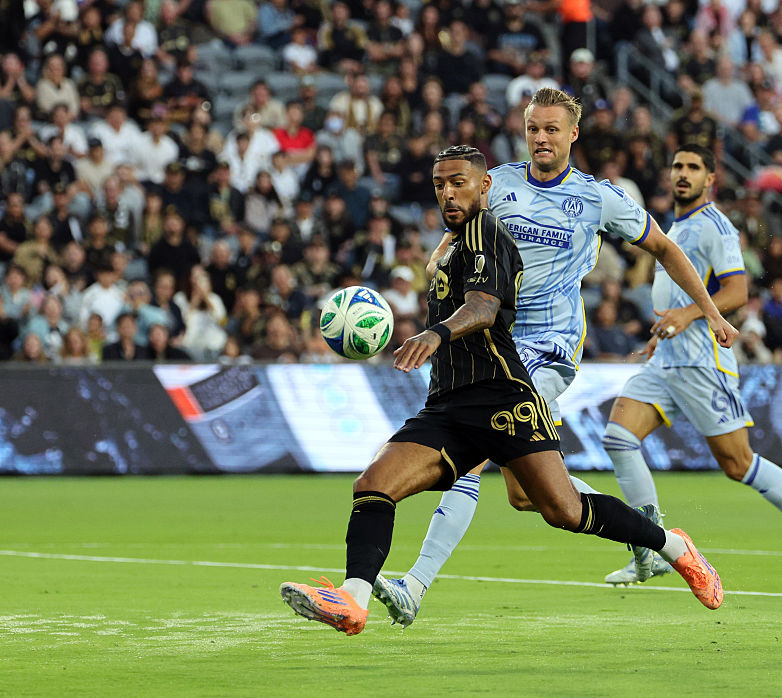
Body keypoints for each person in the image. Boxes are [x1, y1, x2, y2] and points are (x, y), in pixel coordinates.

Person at [279, 146, 726, 635]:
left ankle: (673, 546)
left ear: (485, 185)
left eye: (459, 183)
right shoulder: (455, 243)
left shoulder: (489, 234)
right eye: (440, 185)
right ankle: (353, 599)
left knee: (564, 509)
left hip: (502, 398)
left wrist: (436, 334)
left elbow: (484, 308)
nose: (448, 193)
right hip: (449, 402)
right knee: (373, 484)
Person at [372, 89, 737, 627]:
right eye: (533, 129)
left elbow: (663, 247)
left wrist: (711, 312)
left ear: (573, 134)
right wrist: (441, 256)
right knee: (530, 495)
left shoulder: (598, 198)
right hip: (493, 345)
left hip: (548, 348)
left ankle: (414, 585)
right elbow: (457, 235)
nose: (541, 138)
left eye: (551, 129)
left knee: (472, 452)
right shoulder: (498, 184)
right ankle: (659, 539)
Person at [598, 145, 782, 591]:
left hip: (703, 362)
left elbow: (737, 292)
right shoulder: (673, 226)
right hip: (667, 359)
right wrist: (662, 330)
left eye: (693, 167)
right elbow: (674, 297)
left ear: (710, 179)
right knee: (618, 438)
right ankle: (649, 548)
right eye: (677, 166)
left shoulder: (716, 226)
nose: (683, 173)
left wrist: (686, 315)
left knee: (738, 463)